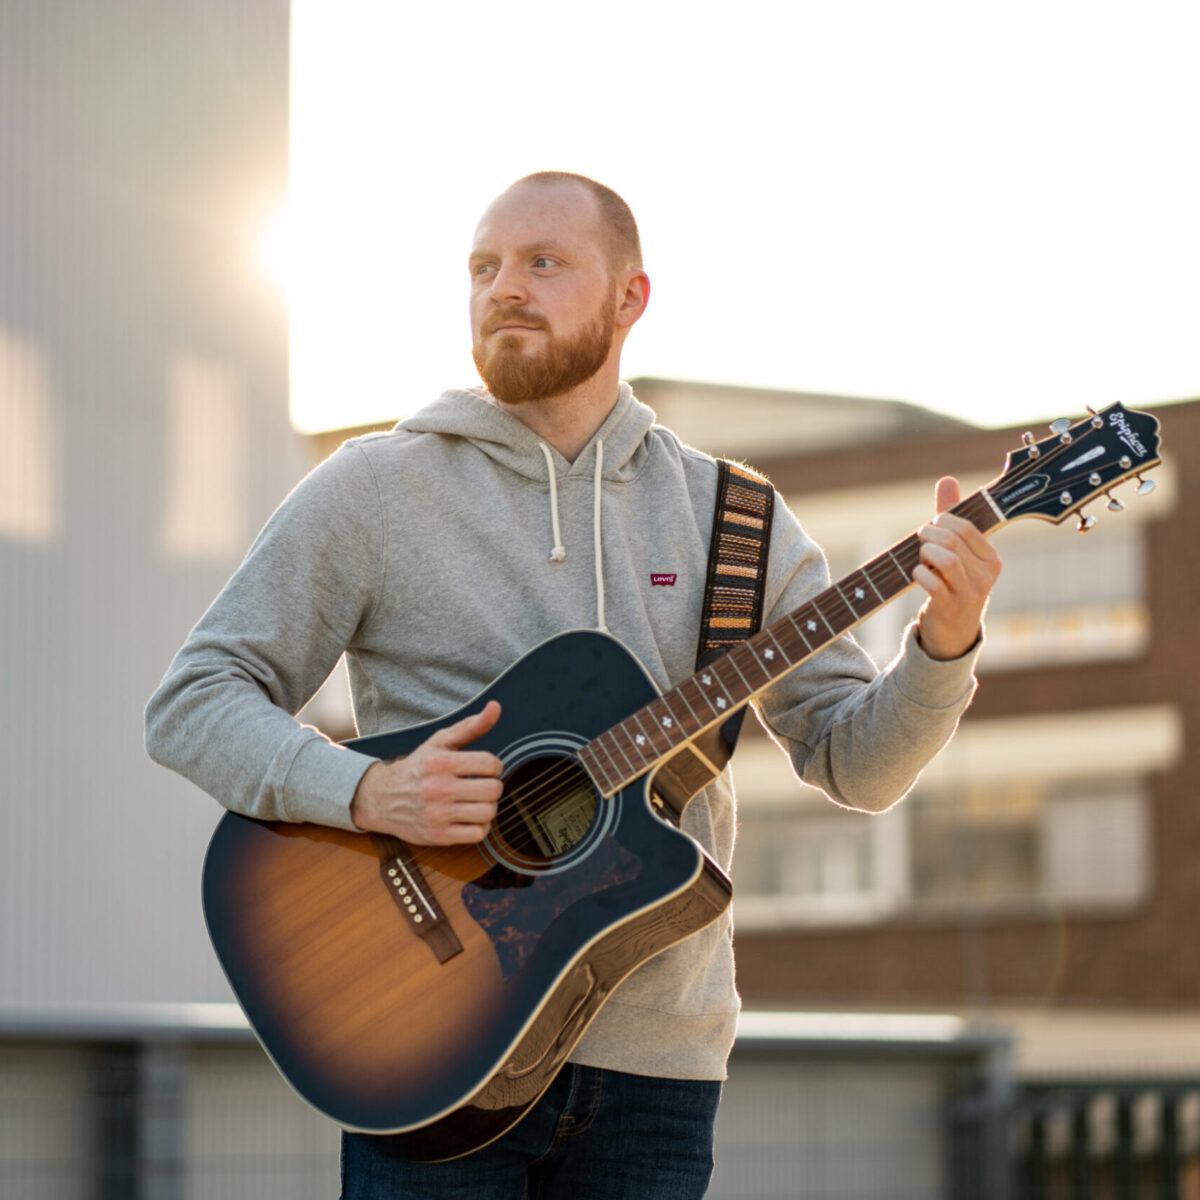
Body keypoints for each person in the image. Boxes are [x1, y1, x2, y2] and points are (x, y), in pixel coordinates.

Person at [146, 171, 1001, 1199]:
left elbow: (856, 765)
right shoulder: (374, 489)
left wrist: (943, 646)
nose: (505, 288)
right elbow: (194, 701)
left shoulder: (737, 519)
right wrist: (364, 791)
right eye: (484, 268)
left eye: (543, 263)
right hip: (424, 1048)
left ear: (631, 298)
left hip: (657, 1073)